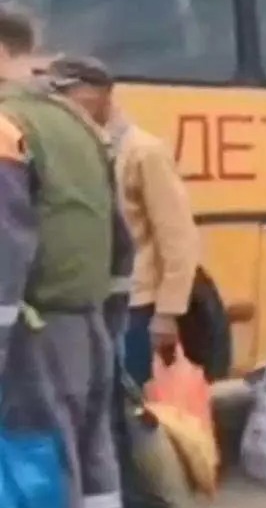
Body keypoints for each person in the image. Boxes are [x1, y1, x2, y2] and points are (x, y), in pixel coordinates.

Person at [0, 4, 130, 508]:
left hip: (33, 338)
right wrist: (110, 322)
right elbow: (121, 240)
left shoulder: (6, 125)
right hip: (88, 328)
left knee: (37, 466)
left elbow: (6, 249)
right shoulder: (76, 123)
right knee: (94, 462)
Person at [47, 55, 200, 385]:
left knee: (128, 404)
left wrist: (168, 312)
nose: (60, 102)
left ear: (100, 92)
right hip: (88, 303)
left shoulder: (144, 151)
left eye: (68, 92)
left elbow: (177, 237)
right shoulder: (74, 147)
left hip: (134, 309)